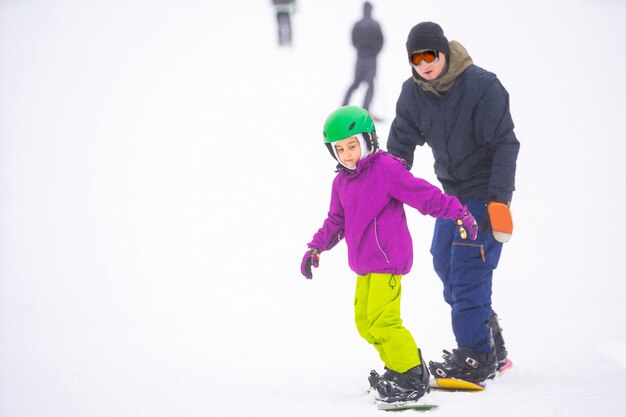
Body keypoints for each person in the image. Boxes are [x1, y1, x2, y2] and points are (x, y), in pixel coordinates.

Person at [300, 105, 479, 405]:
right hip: (363, 265)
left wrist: (458, 212)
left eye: (353, 145)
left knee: (384, 322)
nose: (347, 154)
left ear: (369, 140)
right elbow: (336, 220)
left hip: (387, 262)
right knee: (366, 323)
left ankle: (409, 372)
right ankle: (398, 367)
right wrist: (316, 247)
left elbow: (424, 195)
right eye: (339, 149)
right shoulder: (341, 181)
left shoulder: (385, 169)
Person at [386, 21, 520, 384]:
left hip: (484, 194)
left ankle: (476, 354)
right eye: (415, 59)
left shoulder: (481, 86)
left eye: (429, 55)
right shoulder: (414, 94)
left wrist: (500, 202)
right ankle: (489, 340)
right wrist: (389, 187)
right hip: (451, 197)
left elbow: (505, 144)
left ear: (443, 52)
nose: (423, 64)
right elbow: (400, 144)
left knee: (467, 269)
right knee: (443, 259)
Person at [342, 2, 383, 113]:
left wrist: (361, 50)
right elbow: (381, 41)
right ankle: (365, 108)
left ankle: (344, 105)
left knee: (356, 83)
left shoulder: (357, 24)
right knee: (370, 85)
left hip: (360, 58)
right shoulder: (375, 24)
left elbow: (353, 40)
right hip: (370, 59)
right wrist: (374, 52)